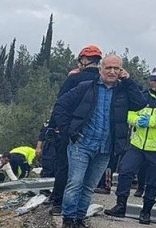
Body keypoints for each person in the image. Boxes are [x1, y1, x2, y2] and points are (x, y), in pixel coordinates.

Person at [52, 55, 146, 228]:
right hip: (82, 143)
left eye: (116, 69)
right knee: (75, 182)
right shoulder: (86, 87)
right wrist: (68, 131)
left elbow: (140, 103)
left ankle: (80, 220)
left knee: (89, 186)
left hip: (105, 147)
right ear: (100, 69)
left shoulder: (123, 92)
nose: (112, 72)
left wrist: (128, 81)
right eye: (108, 68)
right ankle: (68, 219)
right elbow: (61, 105)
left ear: (121, 71)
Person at [104, 66, 156, 224]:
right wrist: (136, 120)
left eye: (155, 79)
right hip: (137, 144)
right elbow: (130, 112)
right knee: (125, 172)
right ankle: (120, 205)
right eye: (150, 79)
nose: (151, 82)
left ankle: (146, 212)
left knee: (152, 182)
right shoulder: (144, 96)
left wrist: (152, 122)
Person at [47, 45, 105, 216]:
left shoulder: (74, 79)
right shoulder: (103, 82)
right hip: (93, 133)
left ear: (84, 60)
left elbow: (60, 104)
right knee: (86, 173)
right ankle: (78, 207)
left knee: (64, 167)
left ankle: (58, 203)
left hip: (71, 130)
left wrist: (54, 128)